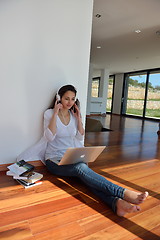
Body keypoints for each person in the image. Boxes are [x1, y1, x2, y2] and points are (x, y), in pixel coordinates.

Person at [43, 84, 149, 217]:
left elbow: (80, 136)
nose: (70, 102)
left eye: (73, 99)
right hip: (54, 161)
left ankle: (117, 204)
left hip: (69, 157)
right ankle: (123, 193)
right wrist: (55, 113)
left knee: (86, 177)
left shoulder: (73, 114)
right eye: (66, 99)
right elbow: (49, 137)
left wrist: (79, 118)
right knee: (81, 168)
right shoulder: (49, 113)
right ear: (59, 99)